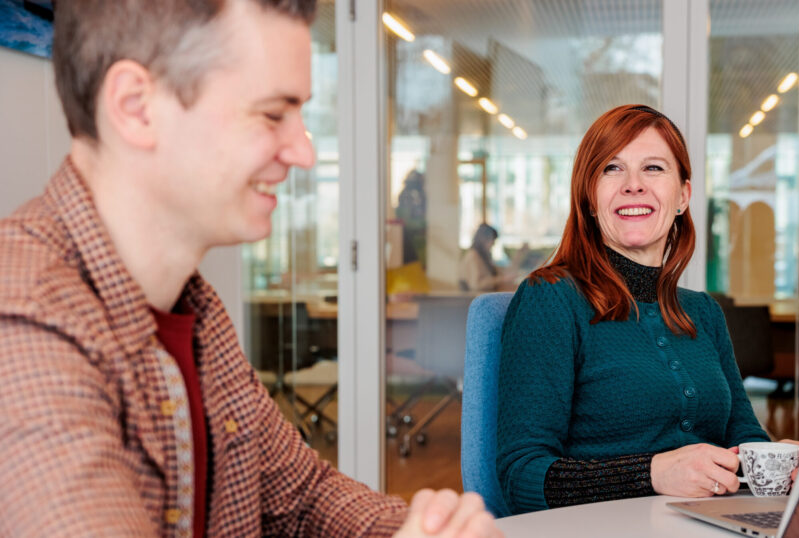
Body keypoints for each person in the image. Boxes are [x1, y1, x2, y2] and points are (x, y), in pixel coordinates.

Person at [0, 1, 500, 537]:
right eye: (272, 114)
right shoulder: (24, 323)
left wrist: (421, 531)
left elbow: (303, 498)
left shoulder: (195, 311)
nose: (303, 152)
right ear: (136, 107)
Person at [496, 105, 799, 515]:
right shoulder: (550, 298)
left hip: (709, 524)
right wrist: (651, 473)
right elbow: (522, 475)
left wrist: (777, 464)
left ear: (683, 196)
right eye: (611, 168)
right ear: (589, 198)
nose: (633, 185)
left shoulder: (703, 312)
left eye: (654, 168)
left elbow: (742, 433)